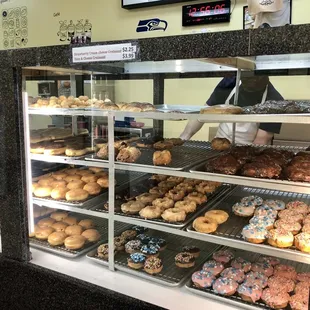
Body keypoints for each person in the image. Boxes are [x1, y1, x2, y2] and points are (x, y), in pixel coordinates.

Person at [180, 75, 283, 145]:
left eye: (255, 79)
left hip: (249, 149)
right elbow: (203, 114)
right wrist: (183, 138)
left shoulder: (275, 100)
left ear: (265, 77)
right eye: (246, 79)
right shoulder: (229, 82)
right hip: (219, 144)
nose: (251, 82)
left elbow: (261, 140)